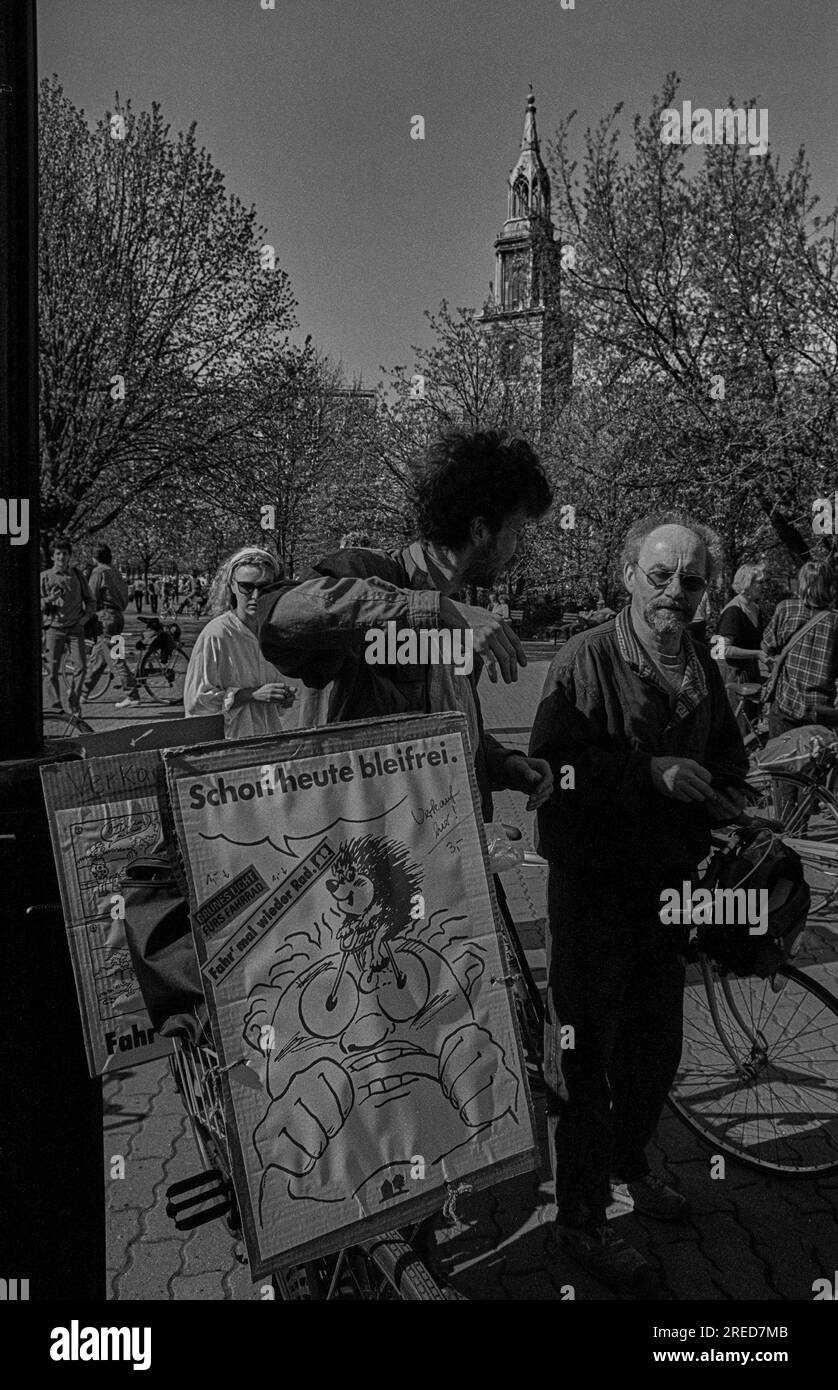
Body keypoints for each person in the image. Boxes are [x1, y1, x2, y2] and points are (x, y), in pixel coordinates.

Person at [529, 510, 748, 1296]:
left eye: (691, 580)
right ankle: (581, 1219)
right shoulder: (584, 658)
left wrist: (728, 803)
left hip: (670, 892)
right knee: (584, 1063)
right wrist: (646, 774)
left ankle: (634, 1167)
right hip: (592, 892)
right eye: (660, 576)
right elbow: (550, 773)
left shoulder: (701, 664)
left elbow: (728, 759)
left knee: (656, 1049)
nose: (676, 593)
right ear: (627, 575)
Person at [256, 428, 555, 823]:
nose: (518, 549)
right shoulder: (365, 572)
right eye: (517, 531)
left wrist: (502, 764)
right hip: (365, 850)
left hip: (447, 850)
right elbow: (276, 615)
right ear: (481, 530)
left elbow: (441, 730)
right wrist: (430, 608)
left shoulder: (461, 619)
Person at [184, 547, 297, 739]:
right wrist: (249, 695)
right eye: (247, 587)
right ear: (232, 586)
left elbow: (284, 698)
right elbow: (197, 702)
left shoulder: (277, 632)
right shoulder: (217, 634)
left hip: (272, 739)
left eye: (264, 587)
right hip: (232, 741)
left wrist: (284, 697)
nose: (255, 596)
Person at [762, 560, 838, 735]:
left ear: (803, 583)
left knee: (781, 758)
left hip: (787, 704)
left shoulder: (786, 609)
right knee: (818, 759)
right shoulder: (835, 621)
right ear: (829, 585)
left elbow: (767, 646)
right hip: (822, 711)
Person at [82, 543, 142, 709]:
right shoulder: (115, 572)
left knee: (115, 658)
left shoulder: (98, 572)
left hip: (105, 618)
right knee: (98, 658)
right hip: (117, 616)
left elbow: (91, 597)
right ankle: (83, 693)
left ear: (95, 558)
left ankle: (132, 694)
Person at [40, 535, 95, 714]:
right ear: (52, 556)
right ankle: (56, 708)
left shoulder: (77, 576)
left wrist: (85, 618)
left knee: (81, 667)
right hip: (53, 628)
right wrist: (50, 598)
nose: (61, 557)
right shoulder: (45, 577)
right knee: (51, 671)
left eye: (64, 554)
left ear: (69, 556)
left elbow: (90, 600)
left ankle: (74, 700)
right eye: (58, 554)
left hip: (75, 628)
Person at [715, 563, 766, 728]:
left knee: (752, 721)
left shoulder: (755, 609)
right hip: (734, 675)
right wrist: (756, 654)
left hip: (750, 672)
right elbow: (722, 649)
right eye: (760, 582)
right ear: (747, 584)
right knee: (739, 726)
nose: (763, 586)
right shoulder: (733, 611)